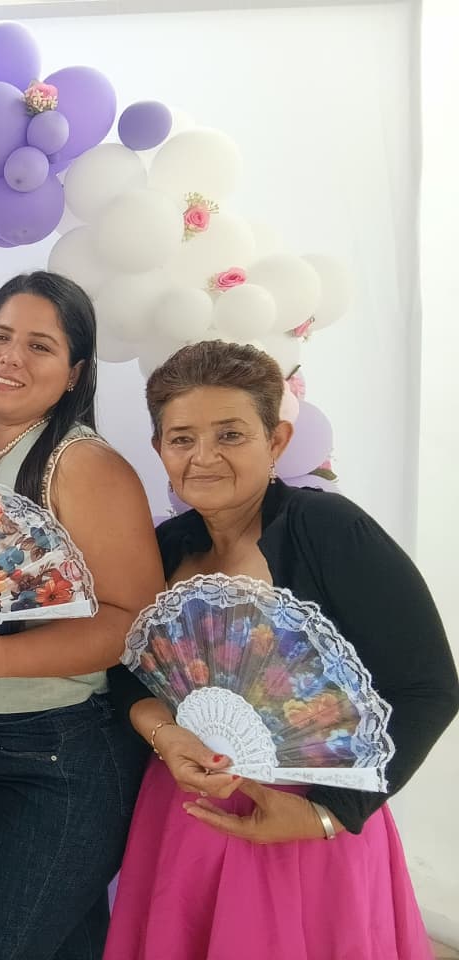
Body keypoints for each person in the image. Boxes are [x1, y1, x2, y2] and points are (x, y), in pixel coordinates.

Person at [104, 340, 459, 959]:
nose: (203, 456)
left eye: (230, 434)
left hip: (307, 827)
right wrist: (165, 733)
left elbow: (428, 687)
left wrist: (328, 814)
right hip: (184, 814)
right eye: (182, 438)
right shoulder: (165, 546)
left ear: (277, 440)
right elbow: (129, 670)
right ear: (159, 447)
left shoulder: (330, 530)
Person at [0, 271, 161, 960]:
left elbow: (134, 622)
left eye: (39, 345)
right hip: (1, 748)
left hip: (68, 760)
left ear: (75, 371)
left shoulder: (81, 465)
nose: (11, 358)